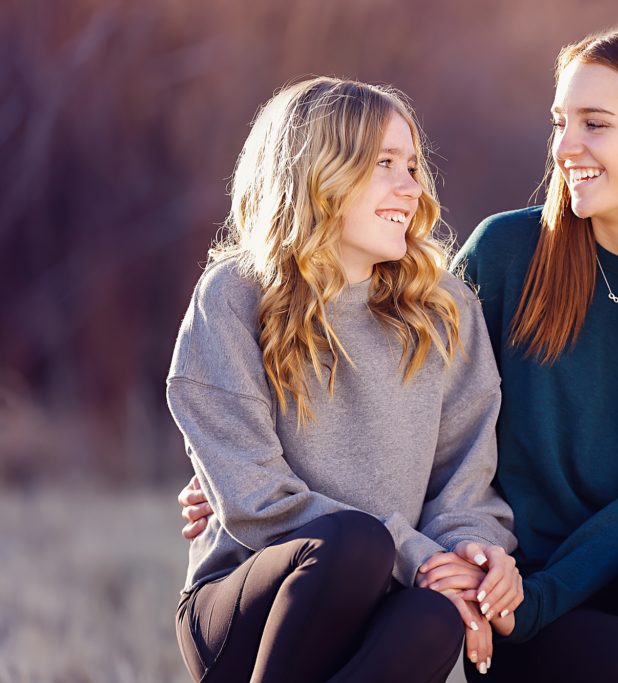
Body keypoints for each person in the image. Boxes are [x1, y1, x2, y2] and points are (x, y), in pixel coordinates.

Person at [182, 24, 618, 682]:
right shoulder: (504, 258)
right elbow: (401, 415)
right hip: (510, 582)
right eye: (560, 121)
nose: (564, 147)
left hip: (603, 577)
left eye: (595, 123)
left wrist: (505, 581)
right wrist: (239, 483)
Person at [167, 76, 521, 683]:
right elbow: (256, 501)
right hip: (249, 609)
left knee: (434, 617)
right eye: (385, 163)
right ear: (316, 172)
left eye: (412, 165)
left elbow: (466, 483)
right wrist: (417, 555)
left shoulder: (445, 309)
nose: (411, 188)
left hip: (386, 605)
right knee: (357, 544)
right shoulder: (233, 296)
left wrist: (467, 556)